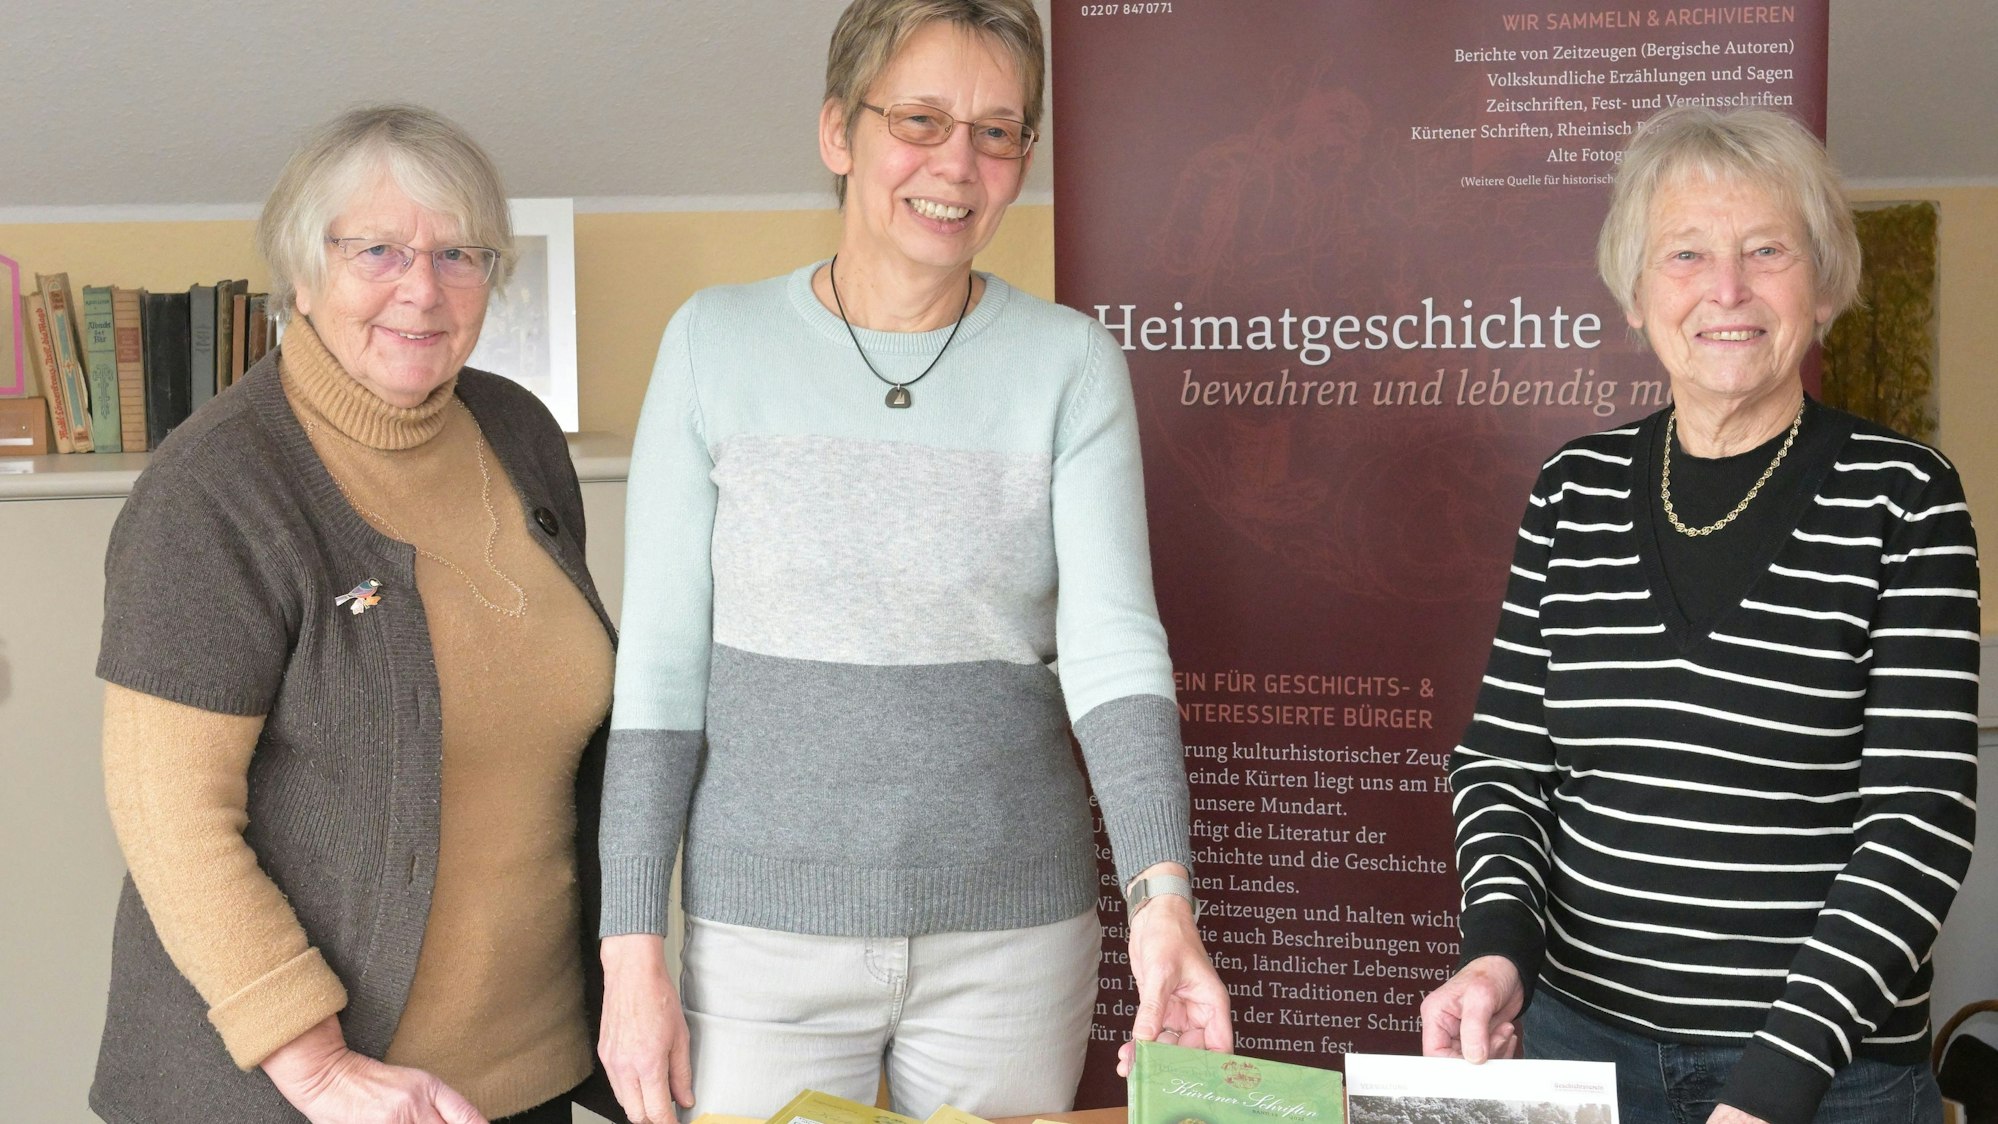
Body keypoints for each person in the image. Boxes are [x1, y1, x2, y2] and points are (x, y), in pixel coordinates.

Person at [595, 2, 1231, 1120]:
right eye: (923, 120)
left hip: (1012, 938)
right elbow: (657, 674)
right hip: (763, 943)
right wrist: (630, 946)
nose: (960, 164)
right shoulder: (713, 342)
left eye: (999, 132)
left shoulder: (1069, 363)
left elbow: (1116, 650)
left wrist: (1162, 900)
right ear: (839, 131)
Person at [1420, 106, 1979, 1124]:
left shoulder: (1905, 497)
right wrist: (1497, 949)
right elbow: (1504, 763)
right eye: (1687, 252)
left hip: (1827, 1076)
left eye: (1767, 249)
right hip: (1580, 1053)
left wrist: (1774, 1084)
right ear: (1636, 294)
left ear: (1824, 283)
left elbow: (1918, 821)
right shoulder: (1571, 491)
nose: (1728, 288)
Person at [90, 105, 617, 1124]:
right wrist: (321, 1066)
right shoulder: (216, 489)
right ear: (301, 269)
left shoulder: (517, 431)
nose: (422, 288)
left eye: (460, 252)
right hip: (304, 1092)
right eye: (376, 248)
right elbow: (170, 814)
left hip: (525, 1072)